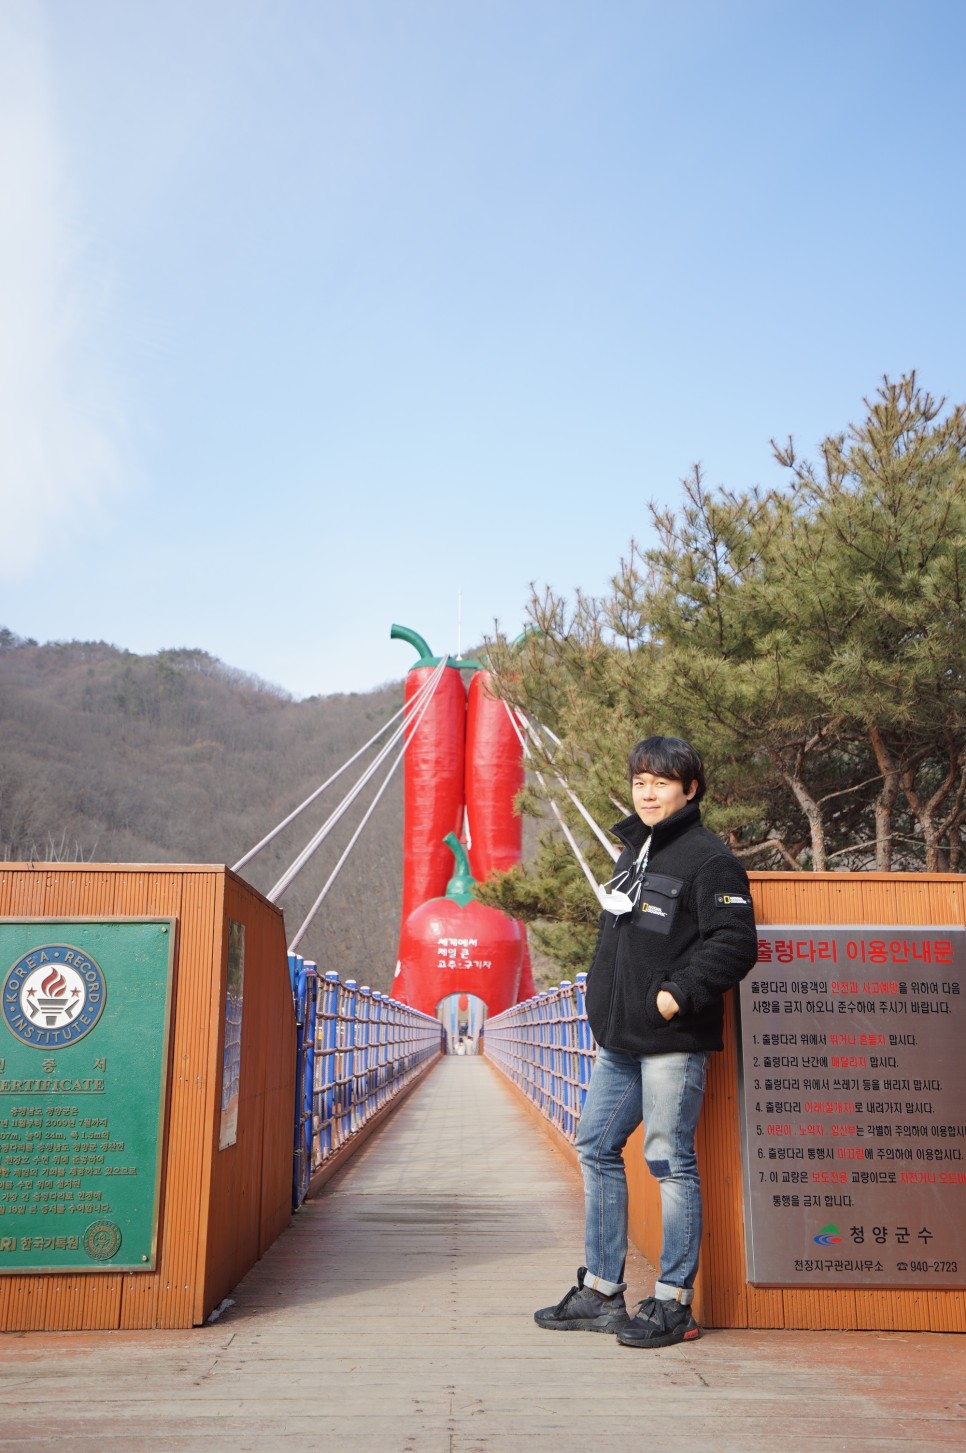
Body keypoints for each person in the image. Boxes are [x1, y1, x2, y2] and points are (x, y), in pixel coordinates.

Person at [534, 735, 758, 1349]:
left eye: (661, 781)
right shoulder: (634, 851)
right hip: (619, 1040)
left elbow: (735, 943)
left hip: (669, 1040)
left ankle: (674, 1303)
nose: (648, 791)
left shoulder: (710, 858)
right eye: (639, 780)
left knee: (668, 1161)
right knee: (597, 1147)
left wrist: (675, 994)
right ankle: (604, 1290)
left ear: (690, 788)